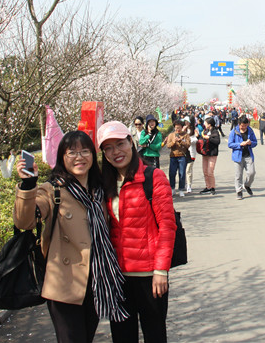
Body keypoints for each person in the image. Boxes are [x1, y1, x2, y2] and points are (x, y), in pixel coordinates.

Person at [13, 131, 127, 343]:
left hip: (96, 280)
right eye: (72, 152)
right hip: (64, 284)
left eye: (85, 151)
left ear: (93, 155)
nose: (79, 157)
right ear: (62, 158)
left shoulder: (100, 189)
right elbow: (24, 222)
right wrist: (28, 186)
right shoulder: (52, 190)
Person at [97, 121, 177, 343]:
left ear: (131, 142)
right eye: (108, 148)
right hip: (118, 277)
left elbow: (167, 226)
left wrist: (161, 270)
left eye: (120, 144)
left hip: (149, 276)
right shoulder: (105, 183)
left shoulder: (153, 177)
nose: (116, 152)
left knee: (155, 335)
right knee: (122, 337)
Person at [228, 115, 258, 200]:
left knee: (252, 173)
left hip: (248, 155)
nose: (244, 127)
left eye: (245, 125)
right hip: (238, 156)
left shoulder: (250, 131)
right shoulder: (234, 131)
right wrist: (239, 144)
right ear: (239, 124)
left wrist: (250, 143)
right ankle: (239, 191)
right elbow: (230, 144)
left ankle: (247, 185)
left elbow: (255, 142)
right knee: (238, 175)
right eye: (242, 126)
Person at [164, 120, 190, 197]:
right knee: (172, 173)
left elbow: (188, 144)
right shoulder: (171, 135)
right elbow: (168, 145)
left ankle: (181, 189)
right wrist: (174, 142)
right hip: (173, 156)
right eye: (176, 128)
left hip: (182, 156)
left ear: (182, 127)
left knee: (182, 173)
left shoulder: (185, 135)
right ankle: (172, 188)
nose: (177, 129)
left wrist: (181, 141)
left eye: (179, 128)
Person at [199, 116, 221, 195]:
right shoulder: (205, 131)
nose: (204, 124)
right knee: (205, 171)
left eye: (206, 123)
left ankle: (212, 187)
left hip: (212, 154)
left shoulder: (215, 132)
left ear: (209, 124)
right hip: (205, 154)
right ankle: (208, 186)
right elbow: (202, 139)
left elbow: (217, 141)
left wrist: (209, 138)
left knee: (210, 171)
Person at [184, 119, 197, 194]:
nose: (186, 123)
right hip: (183, 153)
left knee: (188, 170)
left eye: (187, 122)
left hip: (191, 152)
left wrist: (188, 141)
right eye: (185, 122)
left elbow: (196, 140)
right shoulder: (182, 130)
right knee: (182, 170)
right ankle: (184, 183)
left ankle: (189, 185)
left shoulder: (194, 130)